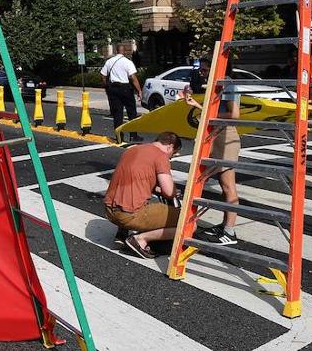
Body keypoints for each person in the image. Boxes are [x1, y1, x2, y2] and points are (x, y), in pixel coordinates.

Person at [181, 56, 240, 245]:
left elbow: (234, 115)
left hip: (226, 136)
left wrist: (205, 111)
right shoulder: (216, 84)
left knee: (228, 185)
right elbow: (209, 110)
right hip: (216, 135)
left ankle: (229, 232)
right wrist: (196, 104)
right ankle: (225, 226)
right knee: (222, 185)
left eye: (206, 69)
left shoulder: (228, 84)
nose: (202, 72)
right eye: (202, 70)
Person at [103, 131, 183, 259]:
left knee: (130, 195)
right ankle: (140, 240)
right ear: (170, 146)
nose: (170, 158)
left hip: (109, 210)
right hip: (129, 215)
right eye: (172, 154)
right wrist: (174, 190)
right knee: (187, 223)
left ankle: (121, 233)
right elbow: (169, 192)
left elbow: (137, 179)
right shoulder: (161, 156)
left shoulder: (132, 150)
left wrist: (155, 188)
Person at [101, 44, 141, 142]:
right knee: (131, 112)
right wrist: (139, 90)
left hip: (113, 89)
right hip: (125, 88)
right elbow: (133, 77)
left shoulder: (109, 61)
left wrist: (107, 86)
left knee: (117, 113)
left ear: (116, 51)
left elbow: (102, 75)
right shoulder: (128, 62)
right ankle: (133, 135)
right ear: (125, 51)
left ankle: (119, 137)